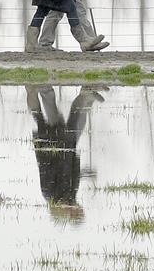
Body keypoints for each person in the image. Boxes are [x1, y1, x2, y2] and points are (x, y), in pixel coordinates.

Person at [28, 85, 103, 224]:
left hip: (53, 145)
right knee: (71, 119)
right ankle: (85, 95)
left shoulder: (50, 194)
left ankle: (34, 88)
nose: (77, 208)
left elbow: (48, 167)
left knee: (40, 116)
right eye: (79, 211)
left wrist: (60, 148)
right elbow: (72, 174)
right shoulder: (70, 195)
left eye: (76, 212)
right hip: (66, 147)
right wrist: (82, 168)